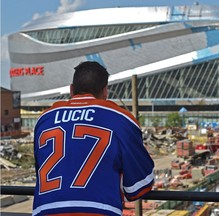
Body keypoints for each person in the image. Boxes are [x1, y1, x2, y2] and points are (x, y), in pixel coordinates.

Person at [32, 61, 155, 216]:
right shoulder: (120, 118)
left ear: (71, 89)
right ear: (105, 91)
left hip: (45, 211)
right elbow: (139, 186)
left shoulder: (45, 119)